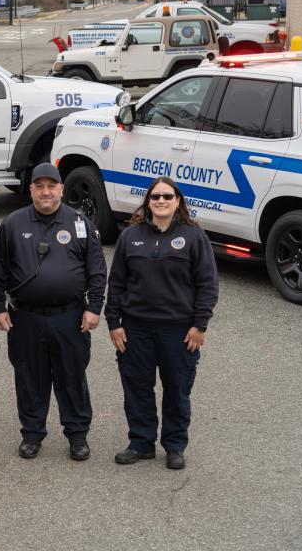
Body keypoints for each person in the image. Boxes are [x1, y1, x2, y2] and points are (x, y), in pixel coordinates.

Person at [0, 163, 107, 462]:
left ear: (61, 189)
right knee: (30, 378)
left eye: (51, 186)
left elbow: (97, 271)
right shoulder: (13, 224)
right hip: (26, 317)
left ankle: (77, 435)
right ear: (30, 190)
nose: (45, 191)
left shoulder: (80, 223)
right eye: (39, 186)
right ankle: (32, 434)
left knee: (72, 377)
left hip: (70, 317)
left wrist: (94, 308)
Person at [105, 177, 218, 470]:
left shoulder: (194, 237)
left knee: (177, 389)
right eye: (155, 196)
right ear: (148, 202)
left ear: (177, 201)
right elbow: (116, 282)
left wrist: (200, 325)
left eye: (168, 196)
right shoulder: (130, 237)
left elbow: (208, 284)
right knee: (137, 388)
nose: (161, 201)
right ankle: (141, 443)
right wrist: (114, 322)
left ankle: (174, 445)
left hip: (179, 330)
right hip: (135, 328)